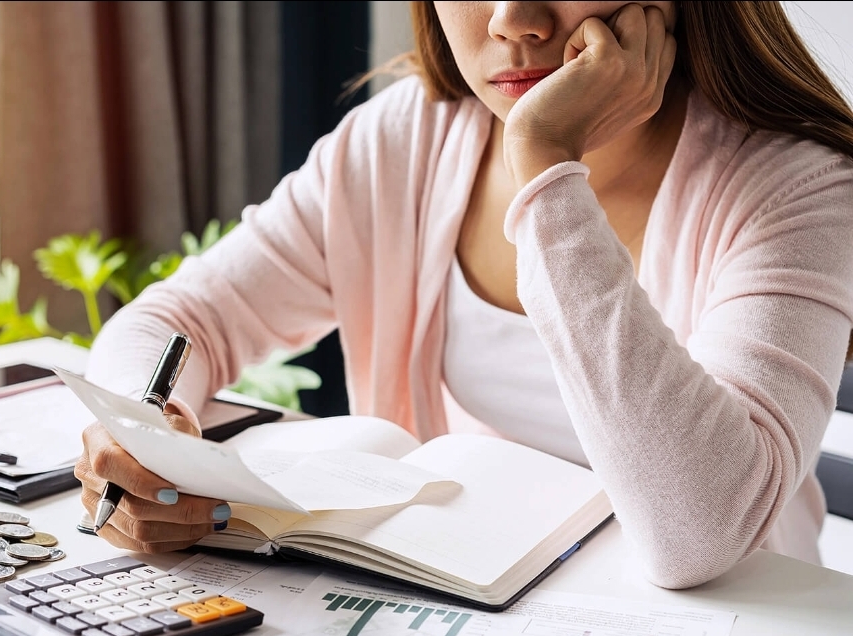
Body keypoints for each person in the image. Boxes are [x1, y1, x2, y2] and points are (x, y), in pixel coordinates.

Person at [74, 1, 853, 590]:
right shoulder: (401, 143)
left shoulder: (800, 188)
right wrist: (141, 435)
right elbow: (177, 319)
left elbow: (698, 535)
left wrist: (545, 165)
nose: (514, 20)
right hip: (474, 622)